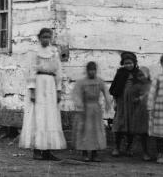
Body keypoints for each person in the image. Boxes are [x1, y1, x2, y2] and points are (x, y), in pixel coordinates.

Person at [19, 27, 67, 160]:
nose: (46, 39)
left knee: (50, 116)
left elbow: (58, 72)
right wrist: (32, 90)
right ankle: (37, 149)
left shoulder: (54, 52)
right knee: (38, 116)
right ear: (39, 38)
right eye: (44, 37)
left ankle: (48, 150)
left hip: (50, 85)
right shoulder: (34, 52)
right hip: (39, 85)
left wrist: (58, 91)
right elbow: (31, 70)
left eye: (48, 37)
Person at [73, 61, 111, 162]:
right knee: (85, 130)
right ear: (87, 71)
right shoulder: (81, 82)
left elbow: (106, 92)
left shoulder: (100, 81)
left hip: (96, 109)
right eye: (90, 70)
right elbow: (76, 94)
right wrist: (79, 103)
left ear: (96, 71)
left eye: (94, 70)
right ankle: (84, 153)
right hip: (84, 109)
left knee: (96, 131)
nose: (92, 72)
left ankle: (95, 153)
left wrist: (108, 102)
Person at [109, 51, 139, 156]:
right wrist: (115, 102)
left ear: (134, 63)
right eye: (126, 63)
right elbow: (115, 89)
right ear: (123, 63)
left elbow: (143, 88)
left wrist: (139, 99)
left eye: (130, 63)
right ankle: (117, 146)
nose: (128, 65)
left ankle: (129, 147)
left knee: (132, 126)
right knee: (118, 124)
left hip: (133, 105)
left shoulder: (138, 73)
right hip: (121, 103)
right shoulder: (120, 73)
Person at [128, 66, 152, 161]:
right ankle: (145, 152)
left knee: (153, 133)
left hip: (153, 111)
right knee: (143, 133)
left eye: (142, 75)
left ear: (148, 74)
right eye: (138, 76)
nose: (140, 77)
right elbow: (132, 99)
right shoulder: (136, 87)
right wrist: (139, 98)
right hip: (142, 112)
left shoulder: (153, 84)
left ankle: (156, 152)